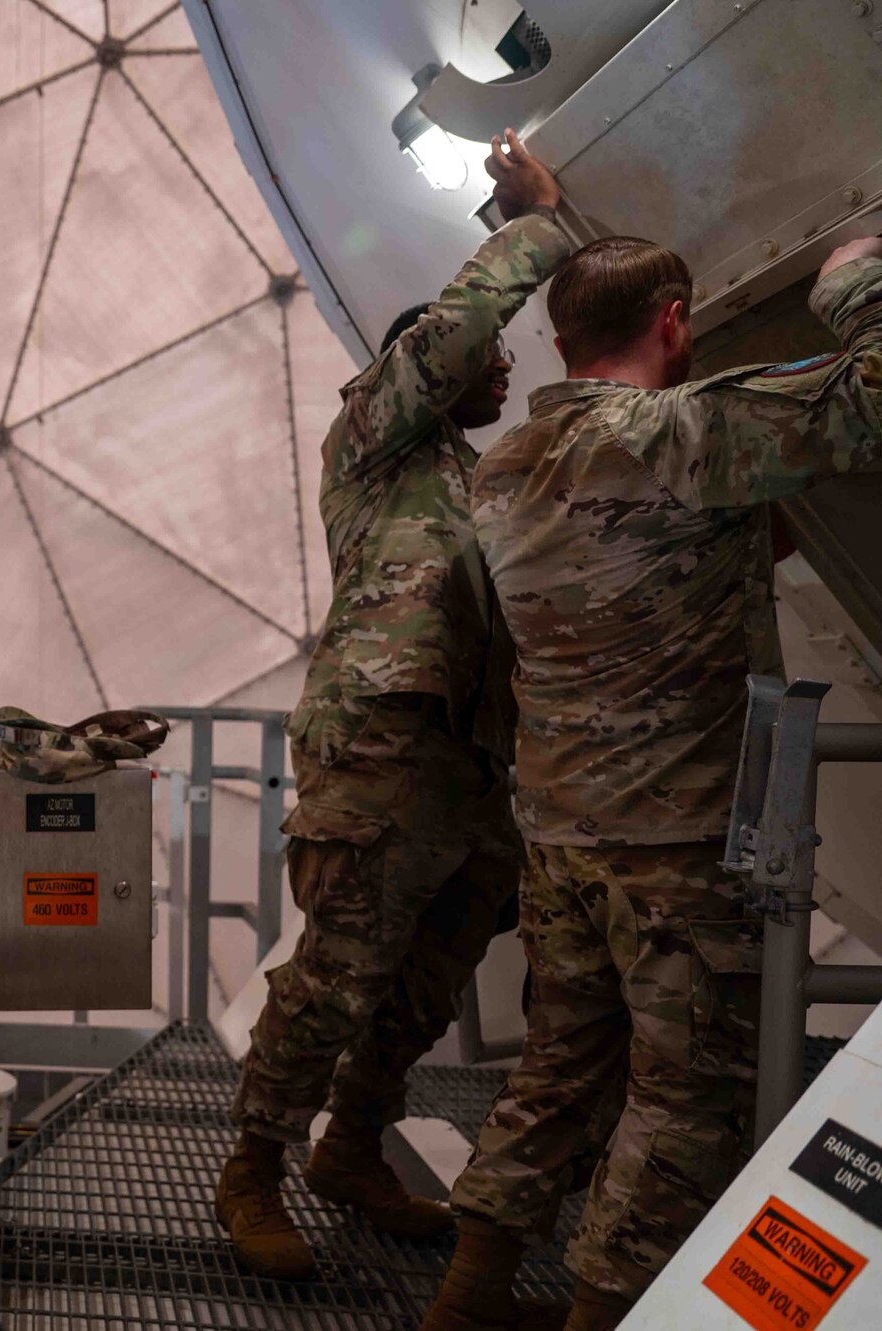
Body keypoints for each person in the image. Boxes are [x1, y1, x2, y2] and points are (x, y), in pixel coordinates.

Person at [423, 232, 882, 1331]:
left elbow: (645, 559)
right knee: (689, 1098)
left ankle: (467, 1293)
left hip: (561, 836)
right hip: (677, 844)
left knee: (560, 1069)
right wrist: (853, 274)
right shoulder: (678, 430)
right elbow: (869, 395)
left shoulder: (506, 464)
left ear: (559, 337)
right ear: (671, 321)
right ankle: (600, 1313)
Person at [216, 130, 572, 1283]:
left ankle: (351, 1147)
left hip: (469, 766)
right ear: (419, 367)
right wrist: (529, 226)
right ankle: (253, 1166)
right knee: (336, 972)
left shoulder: (475, 482)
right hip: (378, 747)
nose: (504, 369)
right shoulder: (372, 436)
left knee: (428, 974)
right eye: (485, 360)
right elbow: (454, 331)